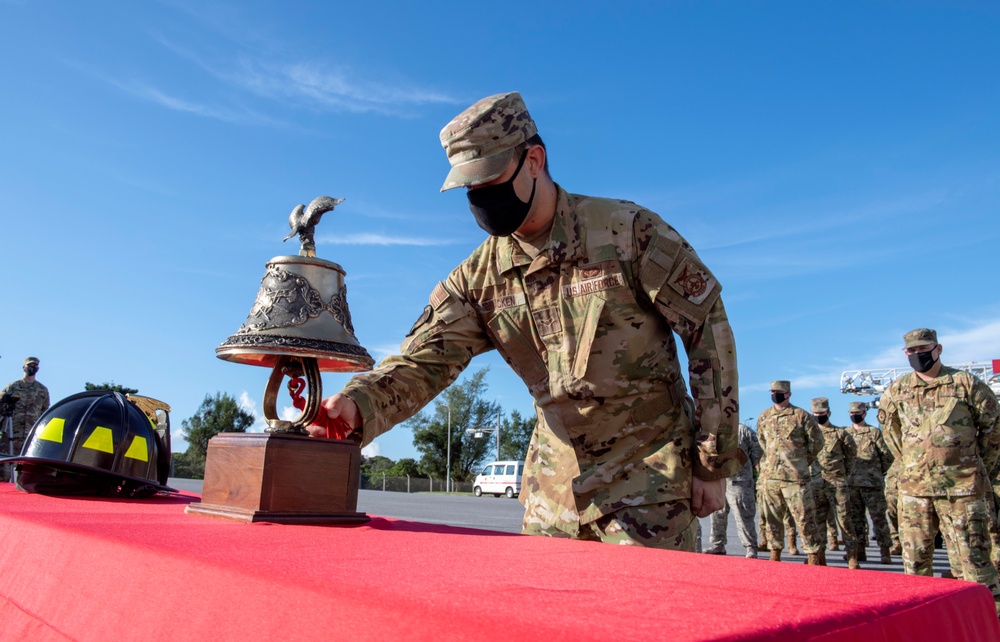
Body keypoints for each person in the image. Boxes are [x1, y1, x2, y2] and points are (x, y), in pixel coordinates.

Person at [313, 91, 745, 549]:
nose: (481, 197)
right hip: (551, 501)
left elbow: (707, 331)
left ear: (534, 160)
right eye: (470, 188)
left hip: (648, 489)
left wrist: (712, 461)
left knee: (654, 619)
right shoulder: (477, 279)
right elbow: (424, 361)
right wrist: (357, 404)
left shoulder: (626, 232)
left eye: (490, 179)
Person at [878, 328, 1000, 614]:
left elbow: (993, 431)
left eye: (924, 348)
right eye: (911, 350)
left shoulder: (965, 383)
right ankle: (921, 624)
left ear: (938, 349)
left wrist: (971, 465)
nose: (918, 354)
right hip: (915, 492)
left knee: (974, 562)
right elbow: (892, 435)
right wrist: (914, 464)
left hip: (963, 489)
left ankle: (986, 623)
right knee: (915, 563)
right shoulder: (897, 390)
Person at [757, 380, 824, 564]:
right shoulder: (764, 417)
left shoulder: (801, 416)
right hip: (771, 477)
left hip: (795, 478)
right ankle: (775, 552)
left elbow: (817, 442)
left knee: (804, 518)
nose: (775, 394)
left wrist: (801, 461)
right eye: (772, 391)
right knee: (772, 519)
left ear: (788, 394)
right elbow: (762, 442)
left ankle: (812, 555)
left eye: (779, 391)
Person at [809, 397, 858, 568]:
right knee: (817, 522)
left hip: (837, 484)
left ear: (828, 413)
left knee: (844, 521)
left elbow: (851, 457)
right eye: (815, 414)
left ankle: (852, 557)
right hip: (816, 484)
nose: (818, 417)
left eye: (821, 414)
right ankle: (819, 557)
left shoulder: (841, 433)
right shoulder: (810, 435)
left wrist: (843, 475)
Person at [845, 401, 894, 565]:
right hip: (852, 484)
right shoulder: (846, 433)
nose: (854, 416)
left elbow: (887, 455)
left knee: (878, 518)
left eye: (856, 413)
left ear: (864, 413)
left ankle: (885, 551)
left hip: (872, 484)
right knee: (856, 520)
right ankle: (859, 551)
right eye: (851, 413)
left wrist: (877, 472)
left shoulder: (874, 433)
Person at [705, 422, 763, 557]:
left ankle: (750, 547)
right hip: (718, 480)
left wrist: (744, 468)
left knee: (743, 515)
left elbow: (757, 450)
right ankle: (717, 545)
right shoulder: (711, 431)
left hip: (739, 481)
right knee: (717, 514)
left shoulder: (742, 430)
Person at [1, 357, 50, 482]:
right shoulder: (12, 387)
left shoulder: (42, 390)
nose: (32, 368)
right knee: (4, 472)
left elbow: (45, 413)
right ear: (24, 367)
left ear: (38, 369)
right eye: (29, 365)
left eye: (34, 366)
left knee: (25, 472)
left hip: (30, 437)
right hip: (11, 433)